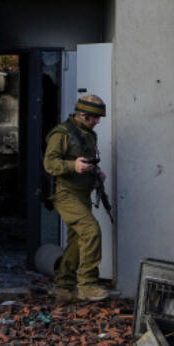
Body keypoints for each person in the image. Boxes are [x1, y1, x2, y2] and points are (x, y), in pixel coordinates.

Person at [42, 93, 109, 302]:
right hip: (65, 193)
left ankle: (64, 287)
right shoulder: (61, 134)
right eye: (94, 117)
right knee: (91, 231)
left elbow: (85, 159)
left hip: (82, 193)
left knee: (77, 240)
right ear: (81, 115)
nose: (97, 122)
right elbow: (50, 164)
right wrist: (73, 166)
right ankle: (87, 284)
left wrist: (95, 172)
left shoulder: (89, 134)